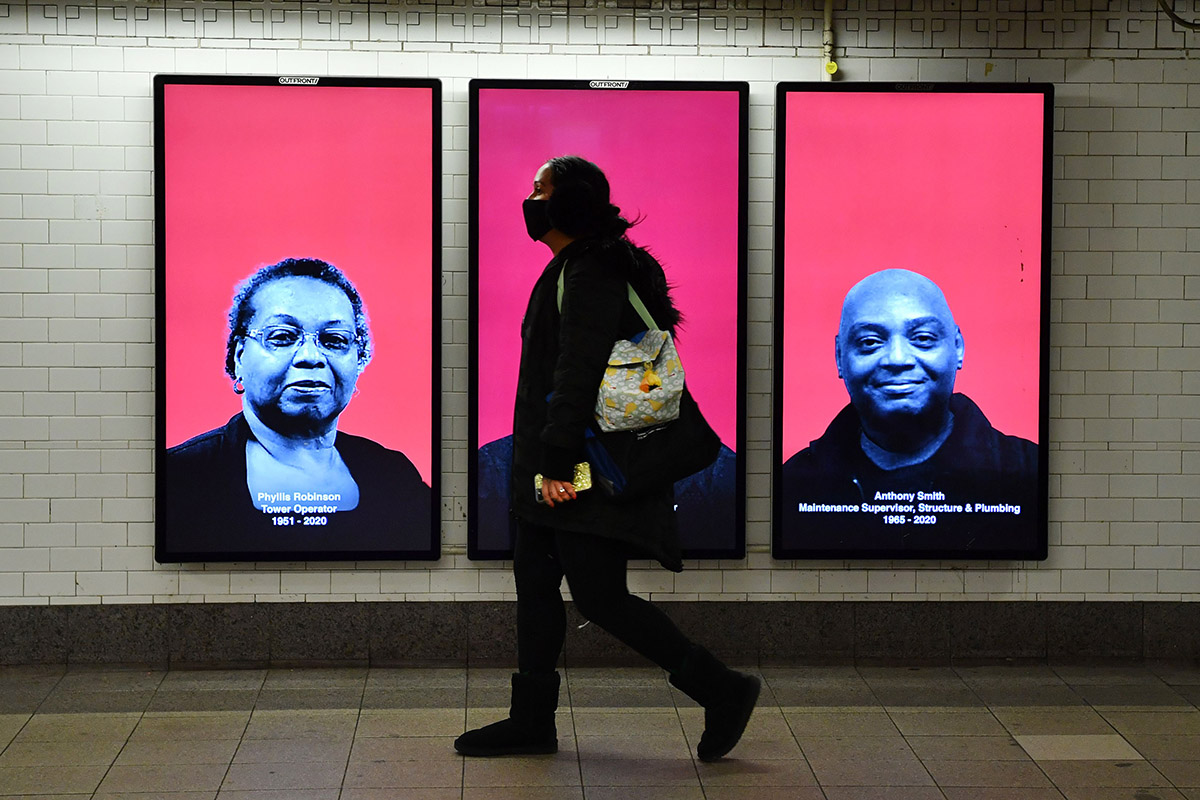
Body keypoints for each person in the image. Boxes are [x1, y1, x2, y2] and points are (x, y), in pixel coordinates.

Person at [455, 156, 759, 761]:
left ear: (568, 204)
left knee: (599, 597)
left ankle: (720, 688)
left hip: (579, 469)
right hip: (553, 462)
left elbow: (576, 373)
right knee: (536, 585)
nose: (530, 199)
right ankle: (532, 720)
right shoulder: (580, 265)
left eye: (540, 189)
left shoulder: (592, 270)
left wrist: (558, 467)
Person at [163, 257, 431, 557]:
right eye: (282, 337)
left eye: (334, 340)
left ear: (359, 359)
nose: (310, 356)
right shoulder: (179, 478)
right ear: (239, 357)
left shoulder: (394, 477)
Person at [780, 268, 1039, 553]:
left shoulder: (1028, 474)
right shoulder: (794, 485)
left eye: (923, 338)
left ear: (958, 347)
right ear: (840, 357)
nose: (897, 359)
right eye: (869, 342)